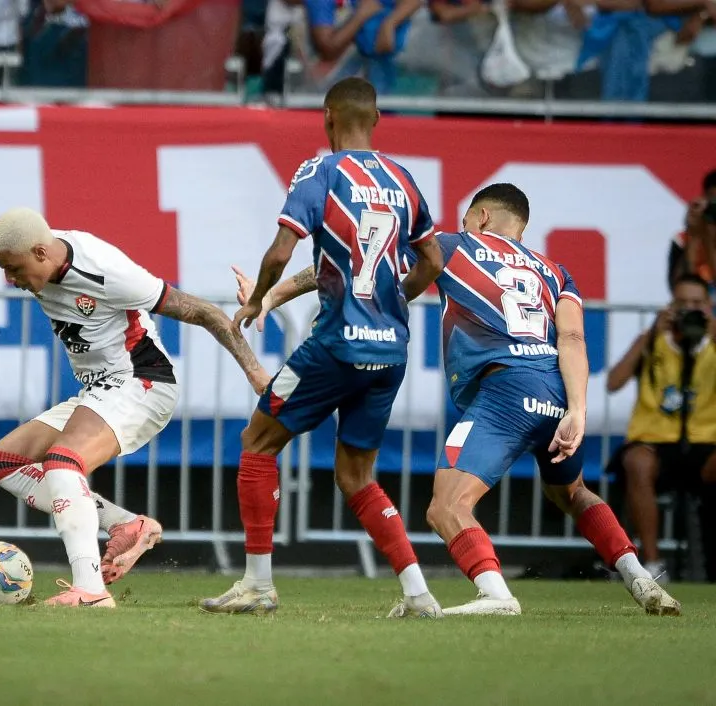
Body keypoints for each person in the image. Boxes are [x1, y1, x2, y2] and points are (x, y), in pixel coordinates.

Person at [244, 183, 682, 616]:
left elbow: (363, 258)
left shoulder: (455, 246)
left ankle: (496, 594)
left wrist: (271, 295)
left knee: (446, 507)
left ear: (483, 217)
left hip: (506, 391)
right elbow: (571, 337)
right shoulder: (554, 271)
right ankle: (640, 577)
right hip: (554, 389)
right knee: (573, 492)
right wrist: (577, 410)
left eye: (467, 217)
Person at [200, 77, 445, 618]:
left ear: (327, 117)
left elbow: (279, 251)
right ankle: (418, 594)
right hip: (390, 353)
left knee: (258, 441)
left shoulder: (320, 172)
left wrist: (257, 299)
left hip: (334, 346)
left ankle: (258, 585)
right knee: (357, 475)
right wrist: (394, 299)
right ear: (377, 118)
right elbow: (432, 262)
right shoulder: (405, 180)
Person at [0, 208, 270, 608]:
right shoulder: (41, 251)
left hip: (142, 381)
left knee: (64, 463)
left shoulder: (106, 271)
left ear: (39, 252)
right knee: (4, 461)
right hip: (98, 389)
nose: (10, 281)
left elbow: (205, 312)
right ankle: (124, 524)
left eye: (14, 270)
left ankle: (91, 591)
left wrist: (257, 375)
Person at [607, 273, 716, 582]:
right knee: (636, 462)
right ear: (671, 307)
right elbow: (614, 383)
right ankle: (652, 564)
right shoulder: (653, 340)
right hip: (655, 442)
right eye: (682, 304)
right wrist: (650, 336)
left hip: (706, 444)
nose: (690, 310)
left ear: (709, 306)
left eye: (697, 303)